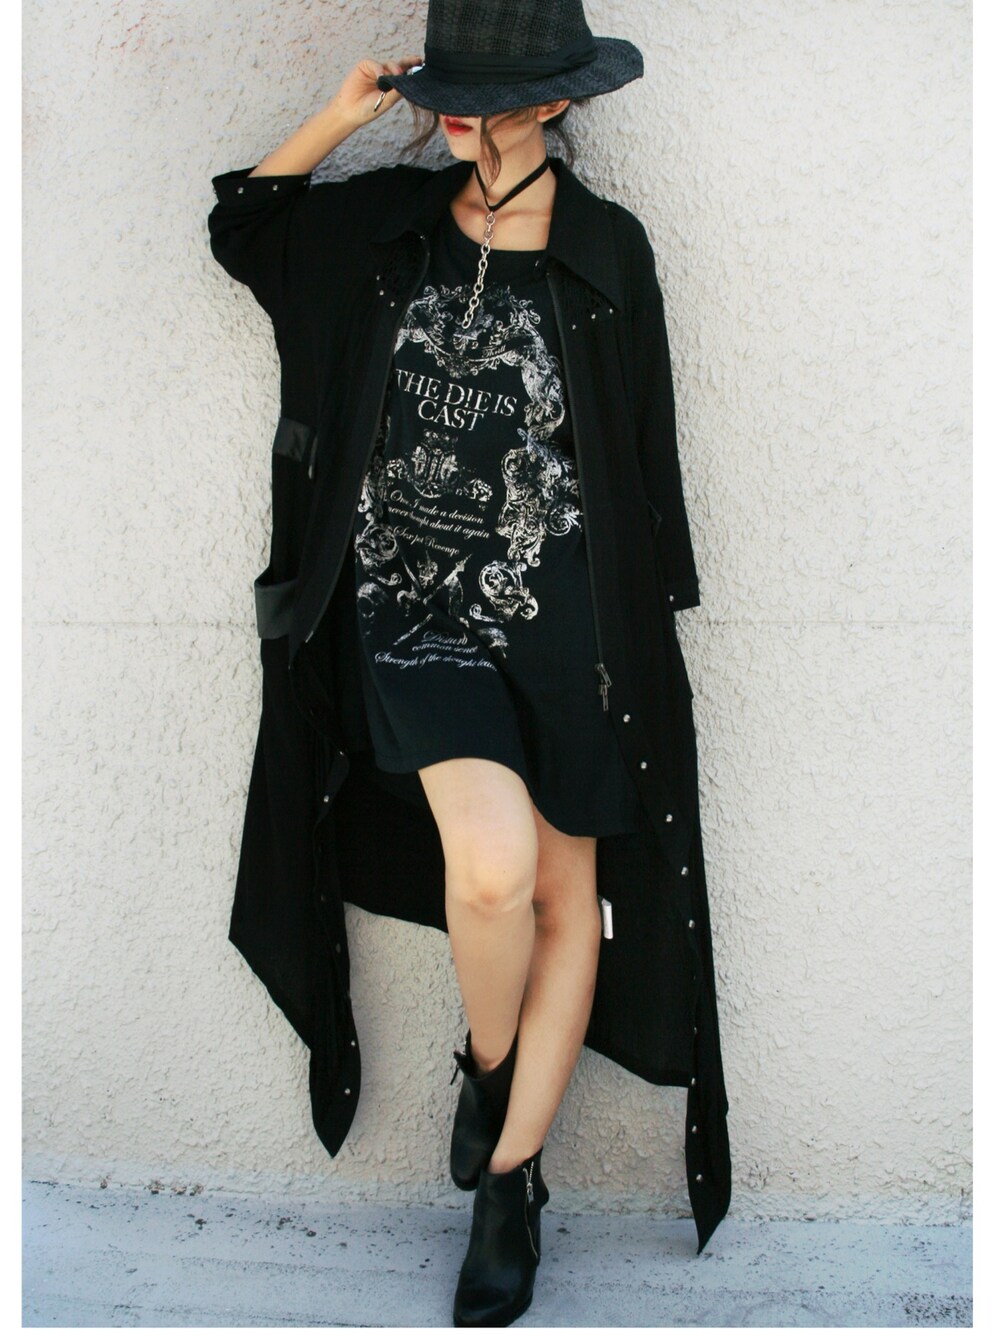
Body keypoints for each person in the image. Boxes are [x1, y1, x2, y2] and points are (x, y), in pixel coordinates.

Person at [208, 0, 730, 1326]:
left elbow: (644, 457)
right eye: (446, 91)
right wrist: (341, 116)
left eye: (486, 98)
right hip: (414, 615)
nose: (457, 117)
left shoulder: (608, 251)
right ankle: (494, 1077)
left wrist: (644, 644)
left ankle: (508, 1186)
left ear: (554, 102)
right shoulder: (385, 229)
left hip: (570, 628)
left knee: (567, 894)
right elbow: (245, 229)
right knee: (492, 872)